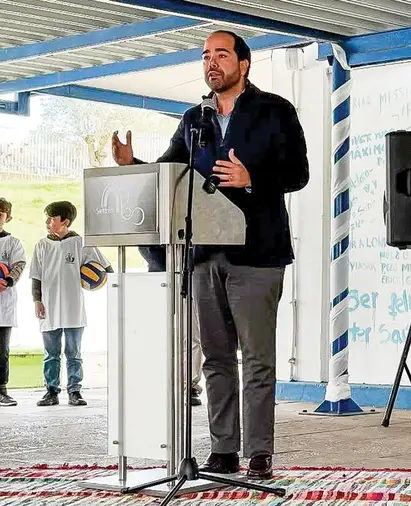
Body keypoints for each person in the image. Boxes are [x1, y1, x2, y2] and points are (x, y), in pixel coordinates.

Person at [110, 30, 309, 479]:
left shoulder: (275, 110)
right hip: (203, 254)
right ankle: (223, 450)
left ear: (244, 63)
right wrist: (132, 164)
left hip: (258, 253)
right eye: (205, 56)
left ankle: (259, 453)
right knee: (215, 358)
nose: (211, 62)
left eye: (221, 54)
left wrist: (250, 177)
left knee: (257, 358)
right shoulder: (193, 118)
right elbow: (172, 173)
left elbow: (299, 172)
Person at [31, 201, 112, 407]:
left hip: (74, 307)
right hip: (49, 307)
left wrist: (100, 280)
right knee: (51, 354)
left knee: (74, 353)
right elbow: (36, 277)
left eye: (52, 218)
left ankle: (75, 390)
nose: (48, 222)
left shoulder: (80, 243)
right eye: (47, 218)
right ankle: (51, 391)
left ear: (65, 221)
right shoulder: (41, 245)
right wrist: (37, 301)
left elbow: (106, 267)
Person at [138, 246, 204, 407]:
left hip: (189, 275)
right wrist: (163, 264)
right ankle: (159, 382)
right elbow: (146, 244)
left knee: (191, 333)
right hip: (160, 276)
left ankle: (190, 385)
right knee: (160, 335)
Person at [0, 198, 26, 407]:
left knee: (2, 350)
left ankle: (1, 390)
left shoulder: (13, 243)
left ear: (8, 217)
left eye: (0, 213)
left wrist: (7, 281)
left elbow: (18, 265)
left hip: (3, 304)